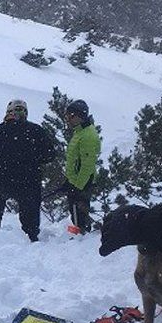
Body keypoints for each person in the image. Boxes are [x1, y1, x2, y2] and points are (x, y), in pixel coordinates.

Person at [0, 99, 55, 241]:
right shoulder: (35, 130)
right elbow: (50, 154)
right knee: (30, 218)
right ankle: (31, 237)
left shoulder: (2, 130)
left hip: (5, 178)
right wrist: (33, 161)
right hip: (29, 180)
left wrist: (2, 166)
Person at [62, 99, 100, 232]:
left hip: (83, 183)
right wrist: (70, 180)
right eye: (67, 115)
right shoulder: (79, 132)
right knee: (75, 211)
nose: (68, 119)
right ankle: (80, 233)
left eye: (70, 115)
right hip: (76, 181)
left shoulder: (88, 135)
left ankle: (82, 235)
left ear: (80, 116)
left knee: (80, 213)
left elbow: (87, 166)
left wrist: (77, 186)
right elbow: (74, 160)